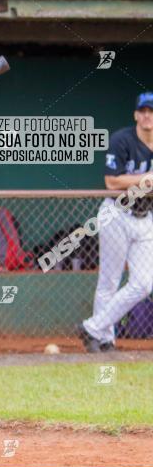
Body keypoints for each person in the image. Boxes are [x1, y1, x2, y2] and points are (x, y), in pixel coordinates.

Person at [79, 92, 153, 352]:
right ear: (136, 115)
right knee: (109, 280)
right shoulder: (122, 139)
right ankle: (105, 339)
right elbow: (112, 182)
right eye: (143, 110)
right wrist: (146, 178)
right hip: (117, 213)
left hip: (145, 218)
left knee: (144, 283)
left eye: (152, 111)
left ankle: (92, 327)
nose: (148, 116)